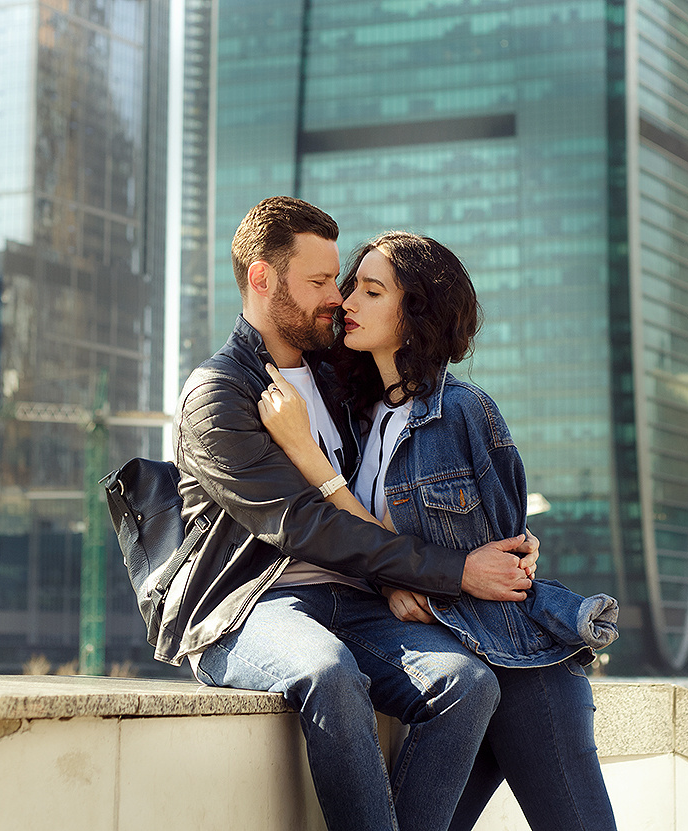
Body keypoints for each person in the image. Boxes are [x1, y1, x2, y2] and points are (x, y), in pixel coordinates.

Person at [165, 198, 540, 831]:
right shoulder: (217, 394)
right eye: (316, 284)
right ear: (261, 279)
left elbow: (406, 474)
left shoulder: (341, 381)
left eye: (336, 283)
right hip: (251, 608)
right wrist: (453, 571)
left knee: (470, 684)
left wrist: (504, 537)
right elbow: (309, 525)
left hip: (357, 603)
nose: (335, 300)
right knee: (329, 673)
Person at [259, 231, 620, 831]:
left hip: (521, 673)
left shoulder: (464, 413)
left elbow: (505, 556)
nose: (348, 301)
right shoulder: (361, 415)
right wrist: (392, 585)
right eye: (351, 286)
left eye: (372, 292)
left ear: (416, 315)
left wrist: (422, 589)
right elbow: (367, 542)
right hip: (458, 678)